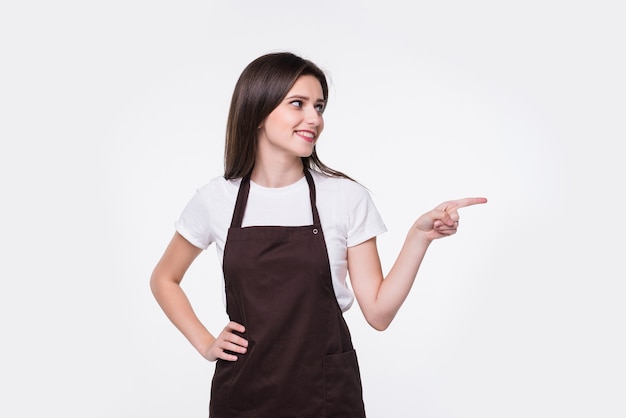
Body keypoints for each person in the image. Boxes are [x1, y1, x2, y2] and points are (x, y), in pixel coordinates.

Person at [150, 51, 487, 417]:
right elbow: (164, 278)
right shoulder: (217, 198)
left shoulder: (344, 197)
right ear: (258, 111)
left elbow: (378, 312)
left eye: (319, 107)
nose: (314, 119)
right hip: (243, 391)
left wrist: (419, 237)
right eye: (298, 104)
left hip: (325, 395)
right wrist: (205, 343)